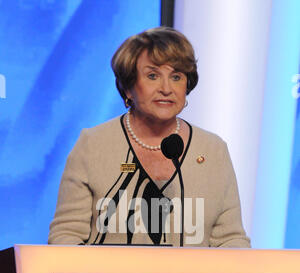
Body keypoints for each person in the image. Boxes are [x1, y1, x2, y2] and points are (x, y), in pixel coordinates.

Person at [48, 26, 250, 248]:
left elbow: (231, 239)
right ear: (128, 87)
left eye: (176, 76)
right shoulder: (93, 144)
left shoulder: (212, 150)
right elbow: (66, 235)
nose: (166, 88)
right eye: (153, 75)